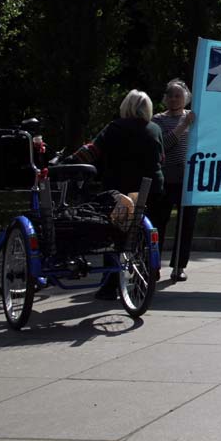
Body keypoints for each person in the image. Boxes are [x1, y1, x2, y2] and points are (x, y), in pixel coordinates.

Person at [65, 89, 166, 299]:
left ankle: (110, 286)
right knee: (144, 236)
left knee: (113, 234)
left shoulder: (114, 128)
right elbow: (161, 158)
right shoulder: (155, 129)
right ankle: (142, 282)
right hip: (151, 189)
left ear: (125, 107)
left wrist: (70, 162)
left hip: (119, 189)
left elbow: (92, 150)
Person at [152, 79, 198, 280]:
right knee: (158, 223)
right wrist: (181, 127)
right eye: (170, 95)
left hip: (188, 180)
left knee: (185, 224)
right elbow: (163, 145)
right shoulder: (158, 120)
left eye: (177, 95)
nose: (173, 99)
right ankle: (152, 265)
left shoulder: (193, 116)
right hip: (166, 178)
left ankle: (179, 266)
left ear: (186, 98)